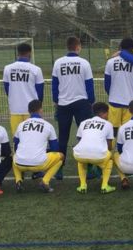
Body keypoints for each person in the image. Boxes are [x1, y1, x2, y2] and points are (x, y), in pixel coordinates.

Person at [52, 36, 95, 179]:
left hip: (63, 104)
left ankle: (58, 169)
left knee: (63, 137)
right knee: (86, 136)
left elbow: (54, 85)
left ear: (67, 47)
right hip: (81, 103)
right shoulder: (84, 63)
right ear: (78, 47)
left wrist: (56, 101)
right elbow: (89, 85)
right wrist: (91, 101)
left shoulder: (58, 63)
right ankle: (89, 169)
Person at [12, 100, 64, 193]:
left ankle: (18, 180)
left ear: (29, 111)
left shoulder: (21, 125)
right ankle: (45, 181)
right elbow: (55, 149)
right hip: (39, 164)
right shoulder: (48, 125)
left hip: (20, 164)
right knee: (60, 157)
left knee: (15, 155)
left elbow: (16, 144)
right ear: (41, 110)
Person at [73, 102, 116, 194]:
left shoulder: (83, 122)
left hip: (79, 154)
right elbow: (109, 146)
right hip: (99, 156)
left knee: (81, 160)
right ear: (103, 113)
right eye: (108, 113)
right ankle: (104, 186)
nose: (108, 115)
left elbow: (80, 140)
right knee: (110, 159)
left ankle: (82, 186)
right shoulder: (108, 124)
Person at [104, 38, 133, 136]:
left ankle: (110, 151)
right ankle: (126, 150)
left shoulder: (110, 62)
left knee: (112, 131)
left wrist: (112, 94)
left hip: (114, 101)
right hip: (131, 103)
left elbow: (107, 83)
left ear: (120, 47)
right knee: (128, 131)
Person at [3, 43, 44, 134]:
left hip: (15, 108)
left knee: (17, 137)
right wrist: (38, 106)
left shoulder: (7, 68)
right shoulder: (36, 69)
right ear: (30, 53)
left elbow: (7, 88)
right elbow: (40, 91)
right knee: (32, 136)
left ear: (18, 53)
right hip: (32, 110)